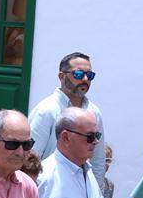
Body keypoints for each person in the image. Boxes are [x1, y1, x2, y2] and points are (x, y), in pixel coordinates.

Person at [27, 51, 106, 180]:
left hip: (82, 190)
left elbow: (98, 161)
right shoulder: (46, 110)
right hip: (48, 191)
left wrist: (96, 196)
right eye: (79, 74)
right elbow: (29, 159)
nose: (85, 79)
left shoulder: (94, 112)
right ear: (61, 76)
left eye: (89, 75)